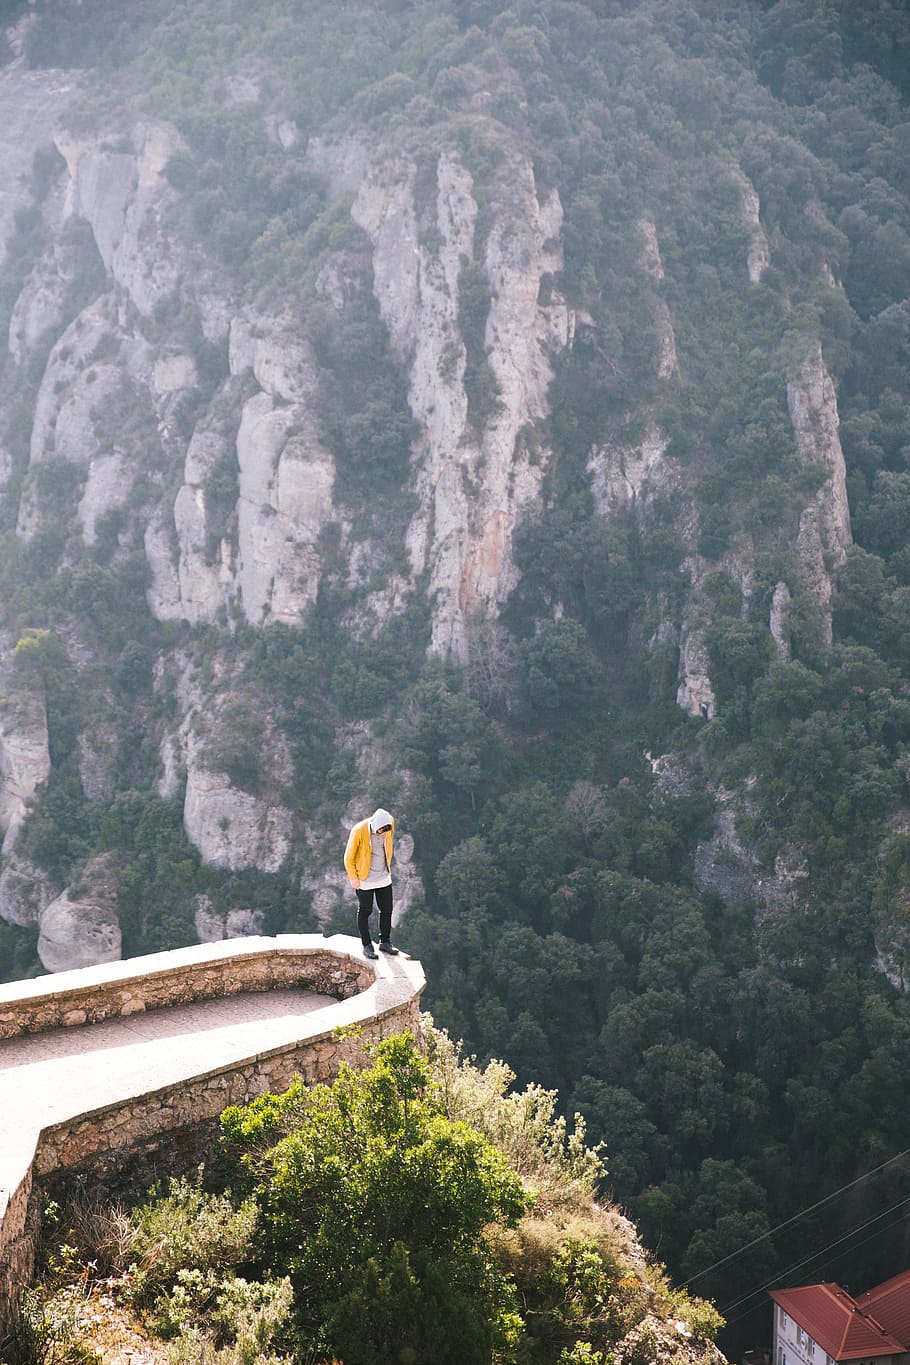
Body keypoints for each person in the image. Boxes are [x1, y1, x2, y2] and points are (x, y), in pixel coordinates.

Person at [344, 807, 400, 960]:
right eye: (381, 829)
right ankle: (367, 945)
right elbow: (348, 857)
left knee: (387, 909)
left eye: (386, 829)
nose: (384, 832)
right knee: (365, 911)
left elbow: (388, 843)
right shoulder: (359, 830)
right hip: (365, 879)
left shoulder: (390, 824)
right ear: (375, 826)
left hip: (383, 876)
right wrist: (353, 877)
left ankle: (385, 941)